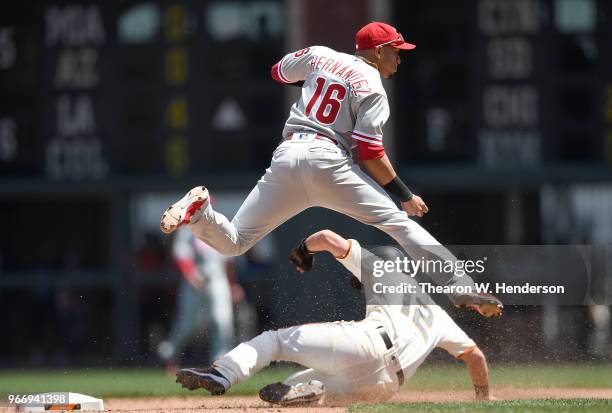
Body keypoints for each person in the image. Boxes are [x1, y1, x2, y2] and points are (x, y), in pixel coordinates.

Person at [159, 21, 501, 312]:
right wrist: (404, 195)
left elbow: (278, 72)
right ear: (378, 51)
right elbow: (369, 151)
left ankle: (201, 213)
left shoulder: (320, 55)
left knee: (233, 243)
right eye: (396, 50)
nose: (400, 57)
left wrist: (315, 79)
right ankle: (461, 286)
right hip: (328, 161)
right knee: (400, 223)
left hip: (289, 156)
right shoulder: (373, 88)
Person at [174, 229, 493, 405]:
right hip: (384, 387)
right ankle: (315, 391)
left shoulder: (381, 269)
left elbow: (327, 237)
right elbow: (475, 357)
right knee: (292, 388)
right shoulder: (437, 314)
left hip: (368, 343)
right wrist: (484, 399)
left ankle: (223, 373)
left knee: (275, 341)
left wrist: (303, 250)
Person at [157, 228, 239, 371]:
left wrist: (232, 284)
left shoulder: (219, 225)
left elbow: (228, 260)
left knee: (222, 320)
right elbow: (181, 255)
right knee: (188, 324)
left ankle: (220, 363)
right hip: (194, 278)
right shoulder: (187, 230)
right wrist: (191, 275)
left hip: (217, 277)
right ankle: (170, 355)